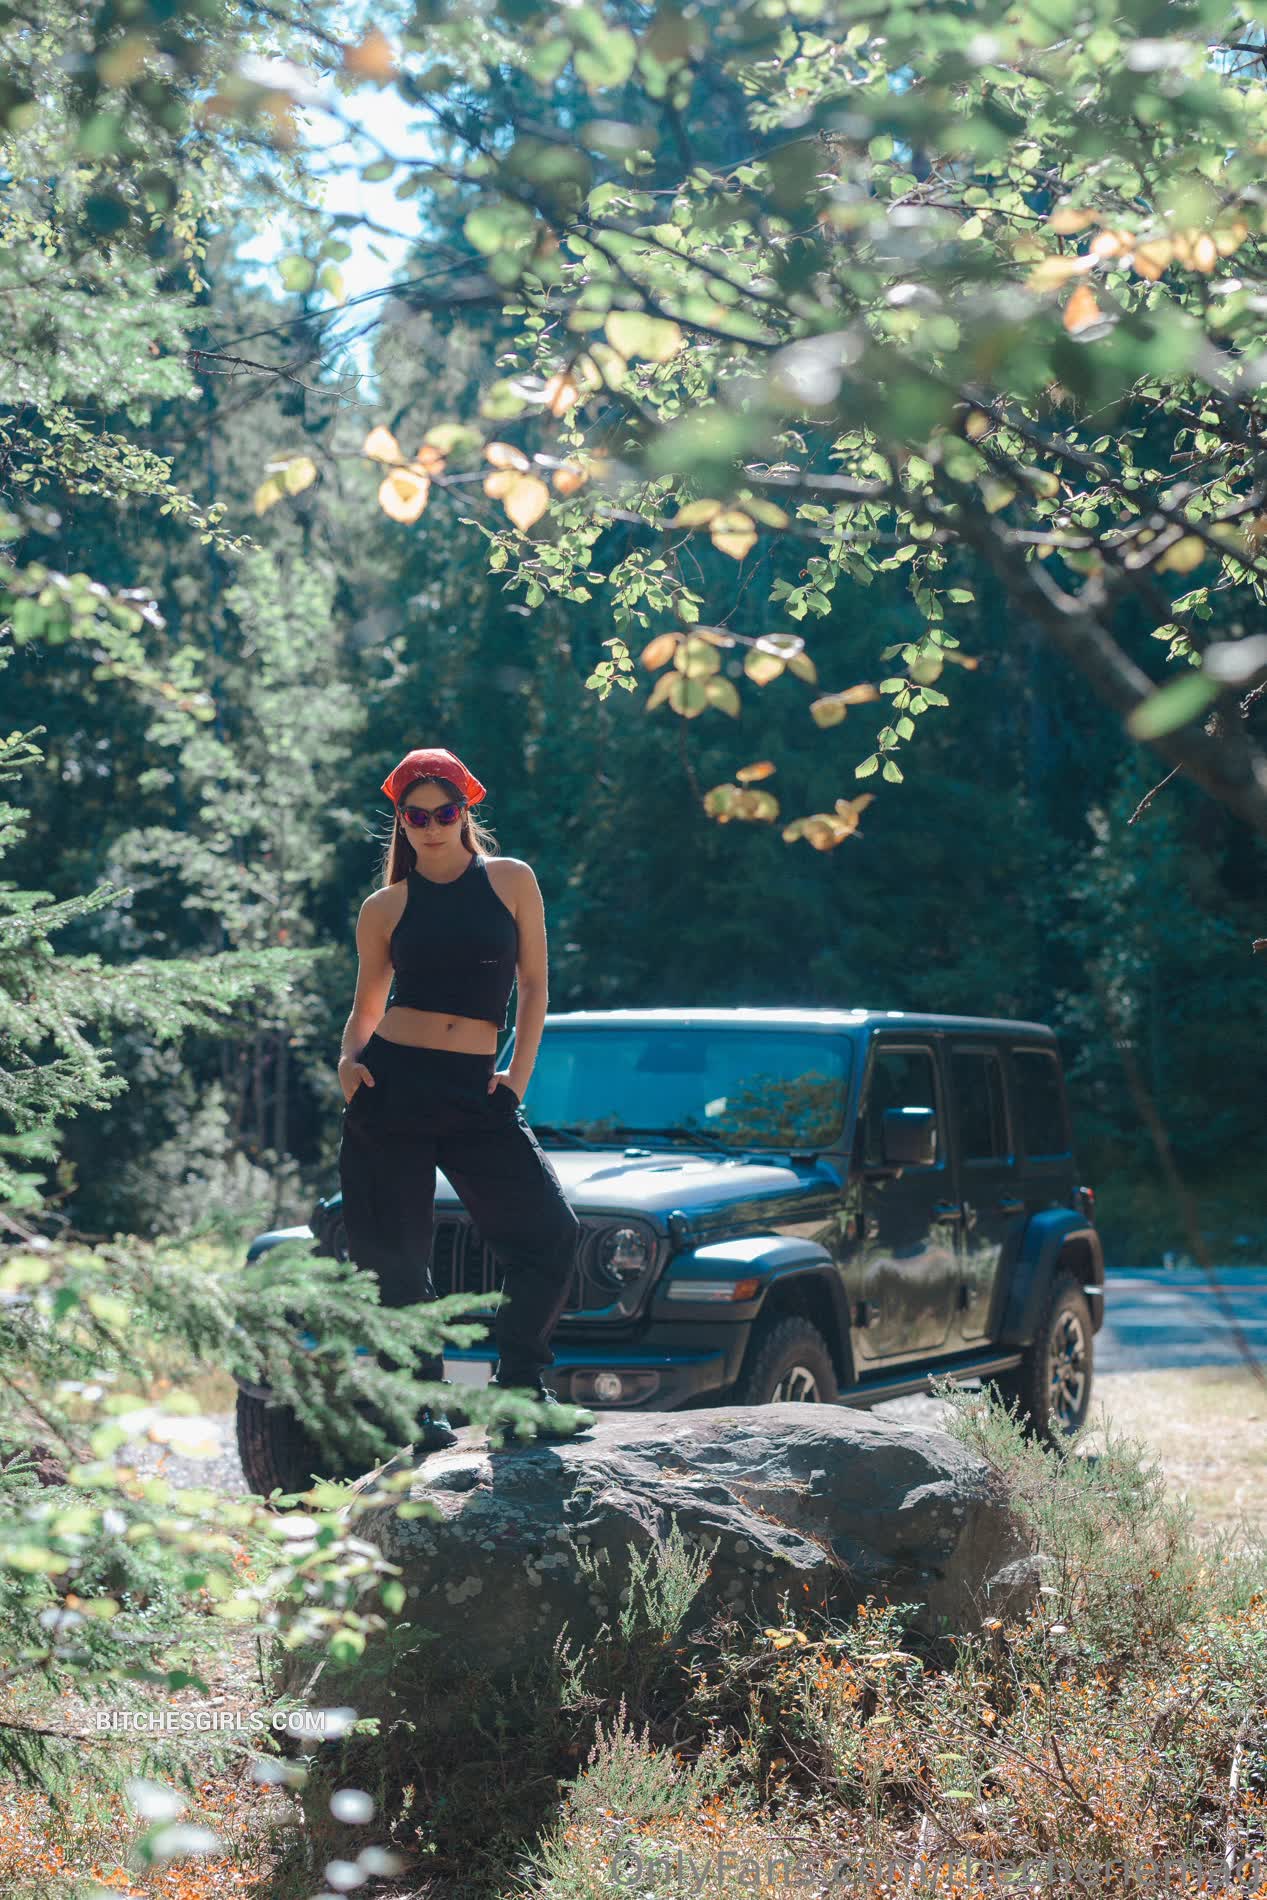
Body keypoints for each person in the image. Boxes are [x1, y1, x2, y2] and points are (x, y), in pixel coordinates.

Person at [336, 745, 595, 1450]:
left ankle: (520, 1393)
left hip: (477, 1089)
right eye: (414, 815)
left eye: (443, 812)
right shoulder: (384, 907)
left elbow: (535, 987)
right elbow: (366, 1006)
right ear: (401, 820)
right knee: (394, 1260)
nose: (429, 825)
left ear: (465, 812)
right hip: (391, 1088)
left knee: (549, 1233)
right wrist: (348, 1062)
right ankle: (422, 1407)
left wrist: (517, 1077)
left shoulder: (511, 880)